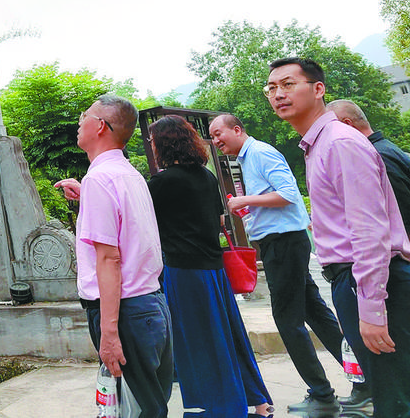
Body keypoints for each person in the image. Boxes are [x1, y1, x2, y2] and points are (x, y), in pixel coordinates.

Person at [266, 57, 410, 418]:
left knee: (395, 398)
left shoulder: (339, 143)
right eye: (271, 88)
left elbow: (371, 232)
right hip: (356, 280)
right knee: (389, 392)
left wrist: (373, 307)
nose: (278, 94)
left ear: (318, 89)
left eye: (287, 84)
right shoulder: (319, 144)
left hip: (375, 282)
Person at [209, 114, 358, 415]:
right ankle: (363, 378)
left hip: (285, 244)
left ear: (237, 129)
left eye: (218, 133)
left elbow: (289, 195)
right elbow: (274, 196)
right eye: (212, 137)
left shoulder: (260, 153)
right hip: (282, 241)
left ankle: (321, 393)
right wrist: (251, 207)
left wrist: (244, 201)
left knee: (288, 321)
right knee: (316, 314)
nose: (216, 141)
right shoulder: (247, 158)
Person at [54, 94, 173, 417]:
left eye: (85, 116)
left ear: (101, 127)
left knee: (138, 409)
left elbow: (110, 259)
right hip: (150, 304)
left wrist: (109, 333)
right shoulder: (127, 174)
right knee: (149, 404)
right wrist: (87, 199)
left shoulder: (100, 179)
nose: (80, 121)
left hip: (125, 312)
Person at [148, 114, 273, 417]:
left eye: (153, 142)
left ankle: (220, 408)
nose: (151, 147)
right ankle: (258, 401)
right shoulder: (207, 176)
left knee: (198, 340)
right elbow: (219, 221)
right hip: (214, 269)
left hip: (184, 270)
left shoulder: (163, 182)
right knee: (228, 334)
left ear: (164, 144)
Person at [326, 99, 410, 235]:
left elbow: (403, 211)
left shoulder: (376, 156)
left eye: (329, 130)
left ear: (347, 124)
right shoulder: (385, 148)